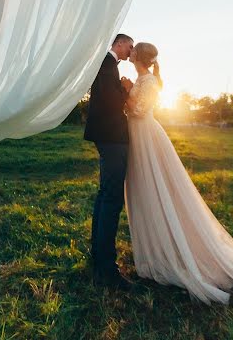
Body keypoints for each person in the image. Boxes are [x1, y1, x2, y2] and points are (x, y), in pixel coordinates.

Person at [124, 42, 233, 304]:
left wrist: (126, 91)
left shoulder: (148, 81)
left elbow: (137, 110)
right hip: (136, 137)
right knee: (143, 190)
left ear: (139, 56)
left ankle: (172, 251)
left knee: (155, 187)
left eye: (134, 48)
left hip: (146, 136)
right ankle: (153, 249)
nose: (131, 50)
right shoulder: (142, 78)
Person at [84, 33, 134, 290]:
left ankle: (98, 255)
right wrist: (125, 90)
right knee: (112, 198)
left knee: (105, 195)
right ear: (119, 43)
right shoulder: (107, 63)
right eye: (130, 45)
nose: (131, 50)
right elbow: (111, 102)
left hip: (109, 136)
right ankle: (106, 267)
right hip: (111, 137)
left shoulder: (108, 64)